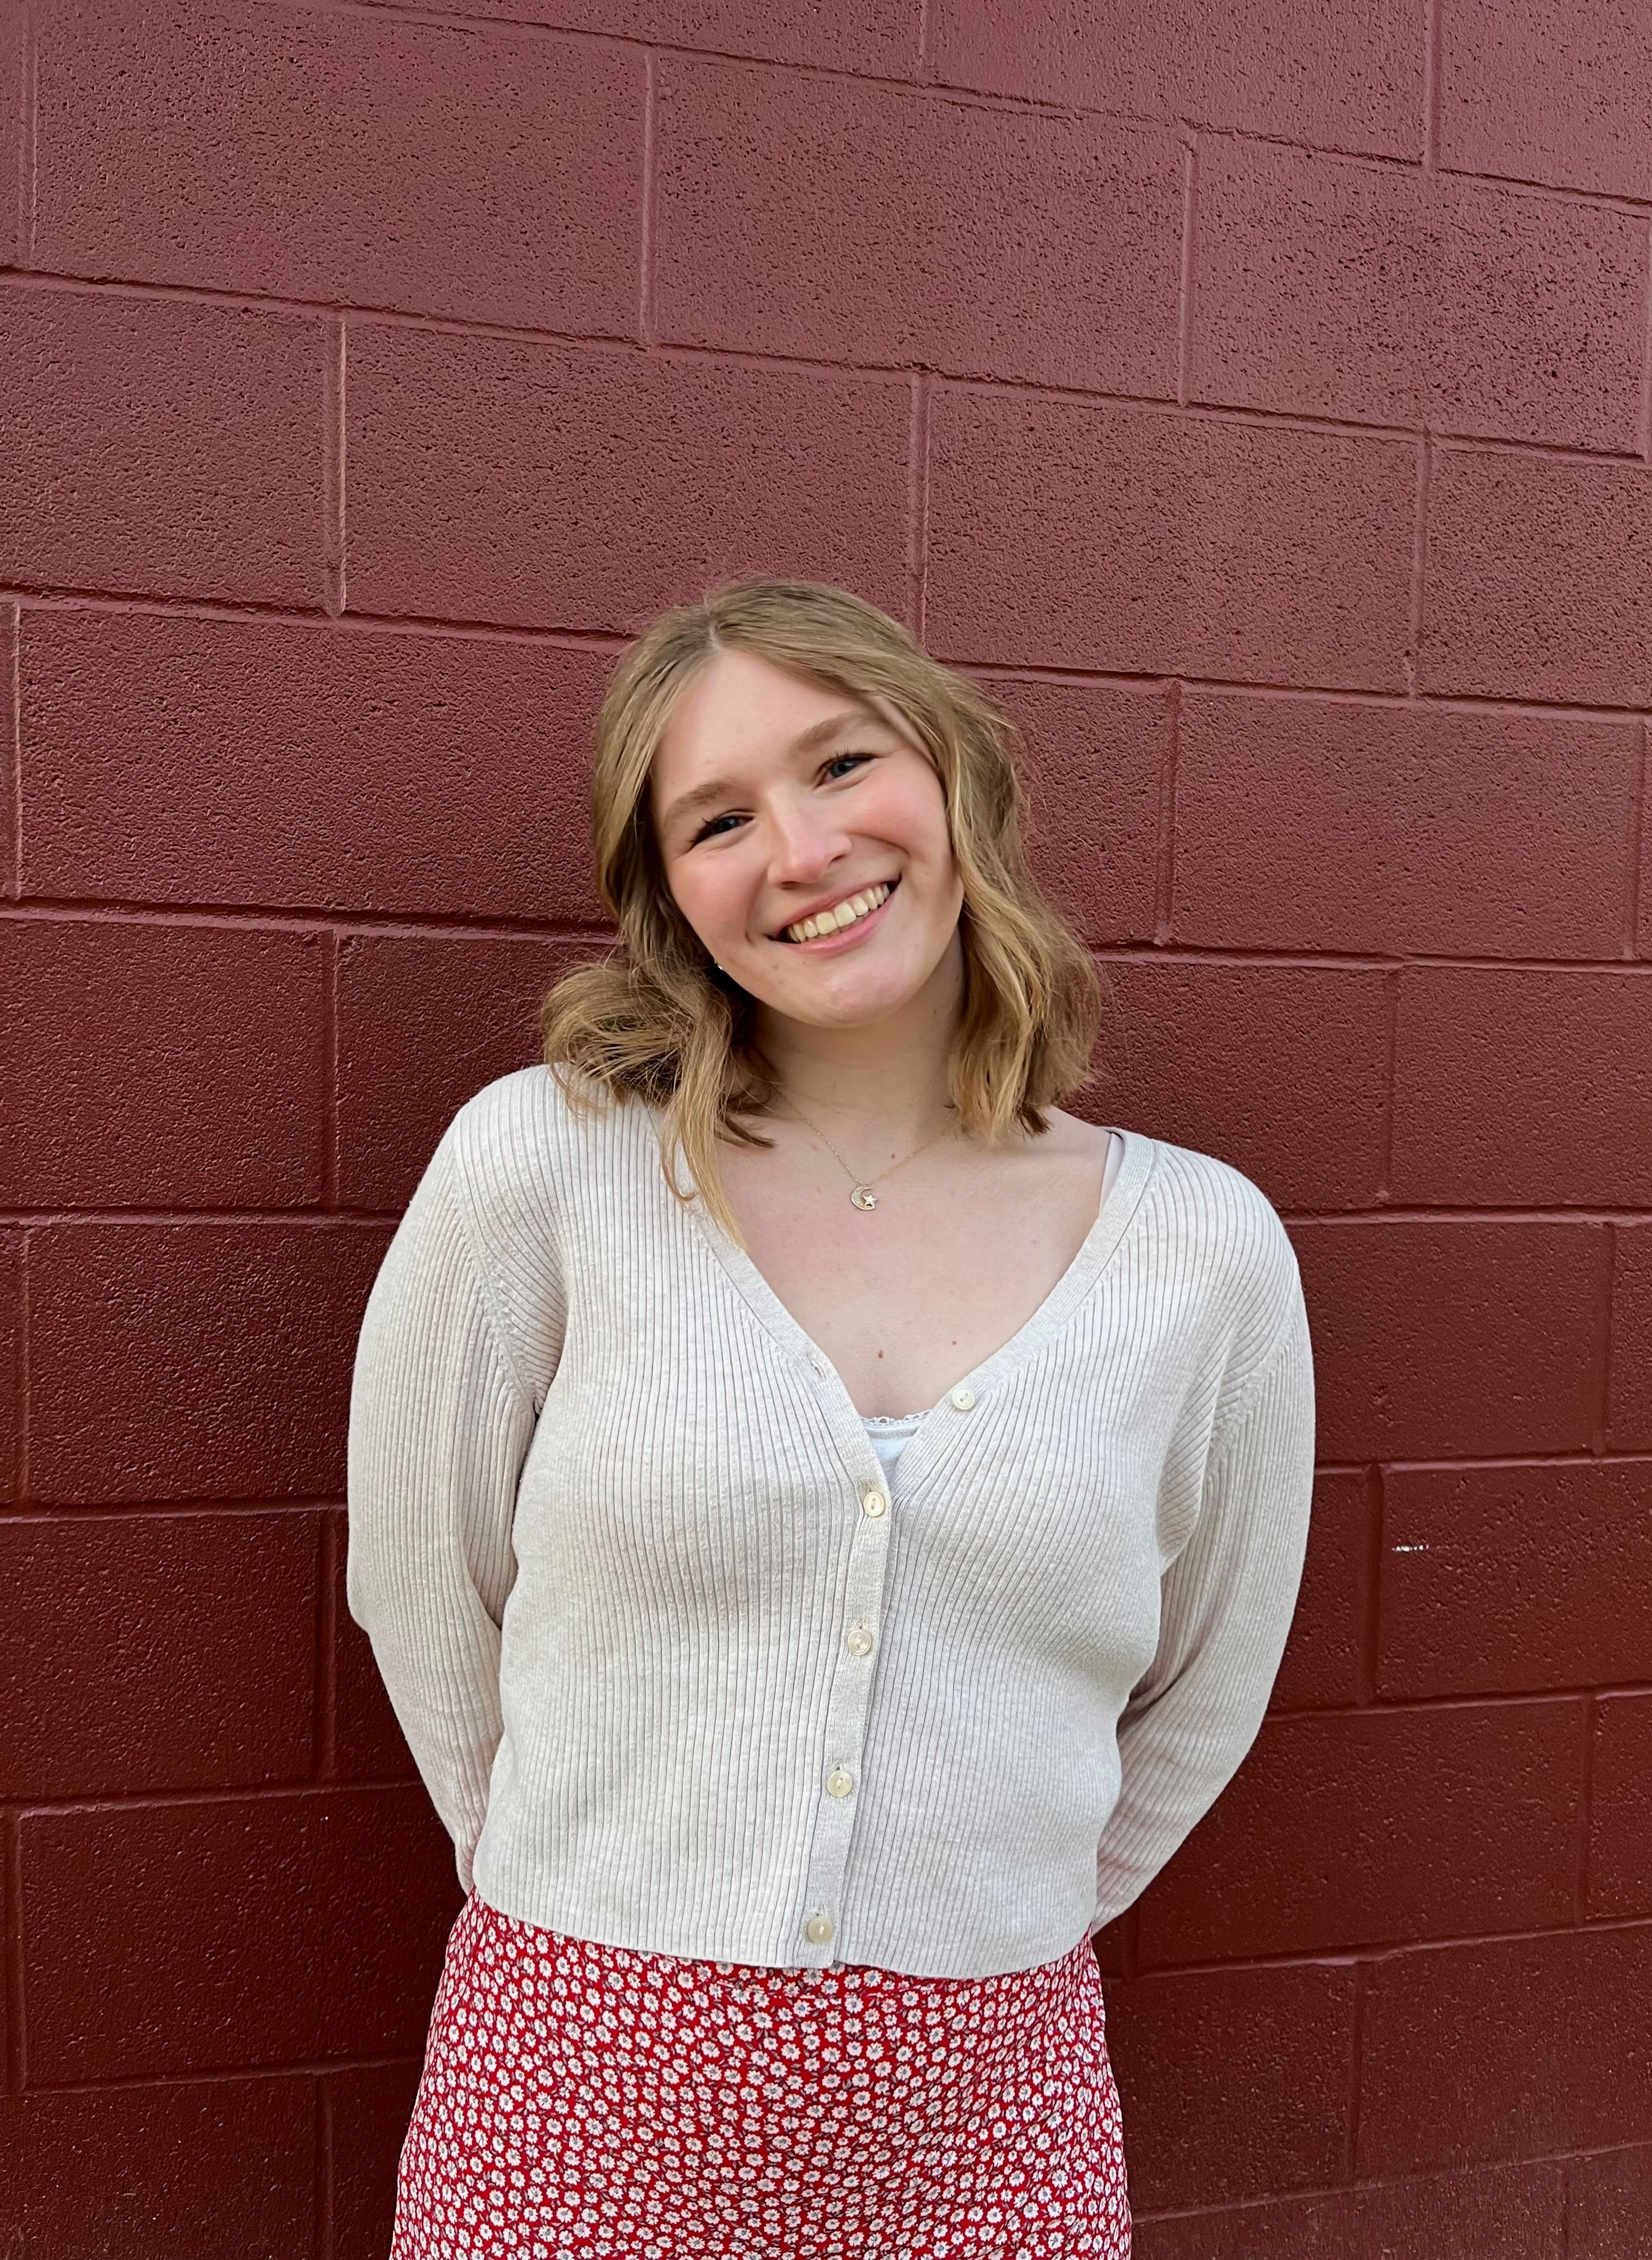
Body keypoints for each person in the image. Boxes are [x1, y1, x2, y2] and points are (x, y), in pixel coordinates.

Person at [345, 575, 1316, 2258]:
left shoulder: (1201, 1249)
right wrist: (583, 1899)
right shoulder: (546, 1167)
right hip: (570, 2087)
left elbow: (1209, 1679)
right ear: (668, 893)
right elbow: (423, 1582)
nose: (801, 850)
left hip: (990, 2117)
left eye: (843, 763)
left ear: (953, 776)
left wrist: (986, 1936)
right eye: (718, 819)